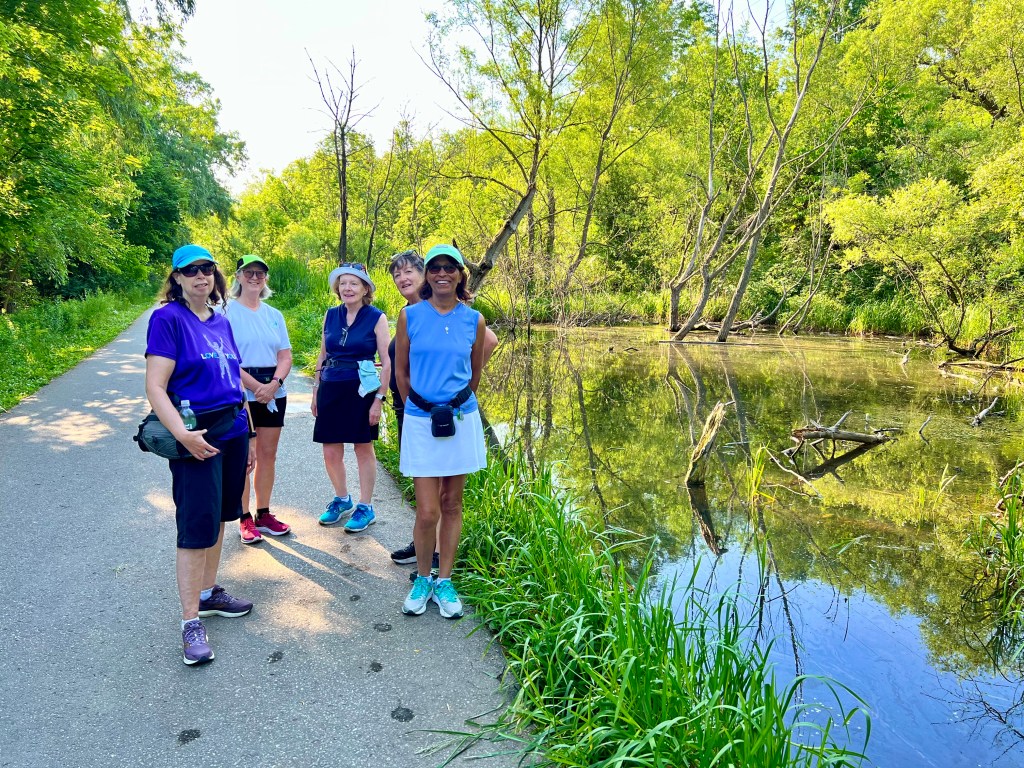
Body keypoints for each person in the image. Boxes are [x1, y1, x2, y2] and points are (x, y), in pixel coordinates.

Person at [144, 244, 255, 666]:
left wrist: (249, 433)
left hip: (233, 429)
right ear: (176, 278)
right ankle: (190, 621)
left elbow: (235, 383)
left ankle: (208, 594)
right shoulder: (168, 319)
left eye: (206, 268)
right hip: (197, 433)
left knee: (221, 515)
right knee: (194, 526)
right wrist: (183, 435)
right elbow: (156, 386)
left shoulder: (222, 321)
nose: (200, 276)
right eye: (189, 270)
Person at [387, 250, 498, 570]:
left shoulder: (474, 320)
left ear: (461, 274)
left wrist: (454, 402)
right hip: (420, 418)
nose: (442, 273)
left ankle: (444, 577)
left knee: (452, 503)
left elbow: (474, 373)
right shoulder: (409, 316)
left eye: (450, 267)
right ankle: (424, 575)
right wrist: (417, 407)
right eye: (435, 268)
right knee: (427, 510)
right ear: (428, 275)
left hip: (460, 418)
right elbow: (401, 372)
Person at [312, 262, 391, 533]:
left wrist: (379, 399)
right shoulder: (330, 315)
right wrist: (316, 391)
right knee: (330, 449)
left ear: (365, 288)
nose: (347, 288)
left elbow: (387, 361)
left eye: (354, 283)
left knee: (363, 448)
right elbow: (323, 355)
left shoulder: (377, 317)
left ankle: (365, 507)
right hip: (331, 387)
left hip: (361, 390)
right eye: (343, 283)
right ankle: (341, 499)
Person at [224, 254, 293, 544]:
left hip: (274, 392)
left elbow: (285, 356)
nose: (255, 277)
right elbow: (226, 358)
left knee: (267, 455)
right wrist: (256, 387)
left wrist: (274, 384)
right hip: (242, 392)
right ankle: (244, 518)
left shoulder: (274, 315)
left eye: (260, 273)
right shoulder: (225, 312)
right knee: (244, 457)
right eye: (249, 272)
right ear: (238, 276)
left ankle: (263, 513)